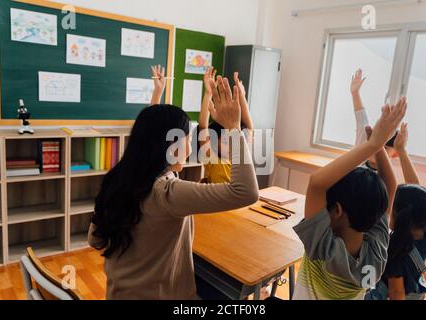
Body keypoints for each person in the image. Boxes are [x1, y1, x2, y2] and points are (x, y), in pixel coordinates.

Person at [88, 75, 259, 300]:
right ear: (170, 145)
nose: (190, 149)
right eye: (187, 138)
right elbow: (246, 192)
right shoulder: (167, 193)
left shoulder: (119, 179)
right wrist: (234, 129)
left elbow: (95, 240)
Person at [293, 98, 407, 300]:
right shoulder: (376, 255)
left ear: (337, 210)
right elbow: (391, 187)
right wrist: (377, 146)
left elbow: (317, 183)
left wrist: (374, 144)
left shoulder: (321, 247)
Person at [366, 123, 426, 300]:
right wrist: (402, 151)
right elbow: (417, 193)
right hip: (417, 292)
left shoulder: (396, 251)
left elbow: (396, 293)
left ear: (400, 216)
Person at [198, 67, 254, 183]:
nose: (230, 146)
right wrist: (208, 93)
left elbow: (249, 127)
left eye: (231, 141)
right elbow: (203, 127)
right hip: (217, 201)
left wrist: (241, 96)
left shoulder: (239, 161)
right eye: (224, 141)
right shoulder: (213, 160)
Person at [351, 69, 399, 170]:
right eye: (376, 141)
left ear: (395, 154)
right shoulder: (364, 142)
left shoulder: (386, 178)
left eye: (385, 148)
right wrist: (355, 93)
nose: (377, 148)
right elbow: (361, 117)